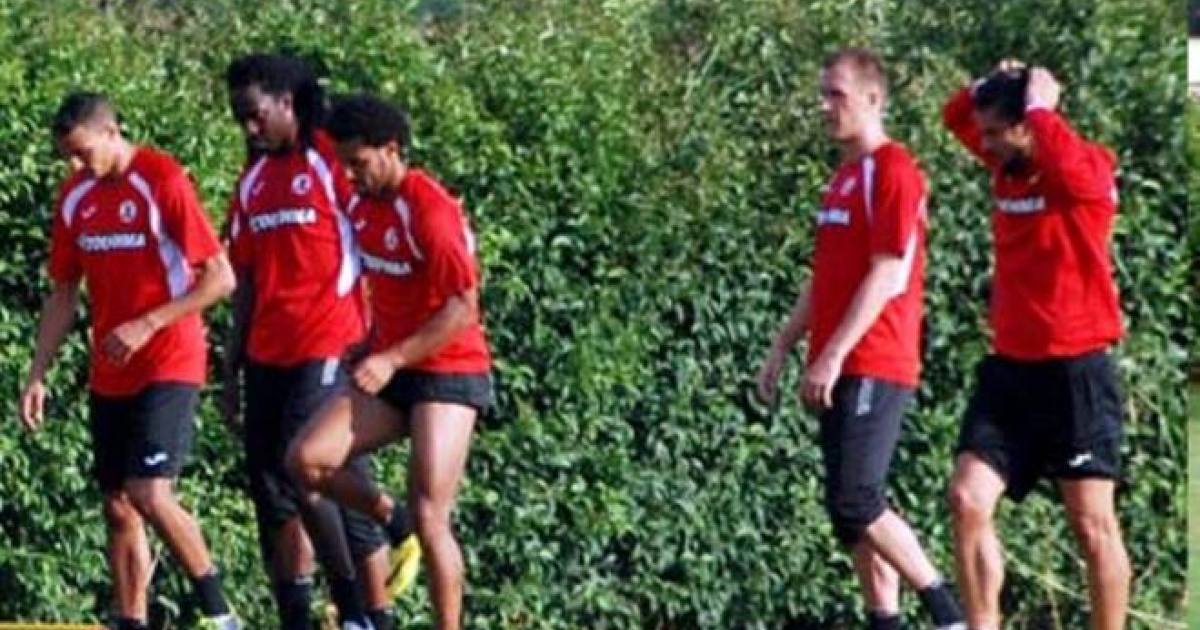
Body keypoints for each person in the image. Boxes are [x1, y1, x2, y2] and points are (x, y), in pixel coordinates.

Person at [755, 48, 965, 630]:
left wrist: (832, 354)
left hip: (876, 358)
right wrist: (782, 345)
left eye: (836, 94)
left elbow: (890, 272)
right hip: (841, 361)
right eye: (822, 94)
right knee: (850, 518)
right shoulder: (843, 179)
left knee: (857, 498)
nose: (824, 106)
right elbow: (825, 279)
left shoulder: (893, 170)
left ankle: (950, 616)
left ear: (873, 99)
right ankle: (885, 622)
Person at [19, 91, 241, 630]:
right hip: (111, 369)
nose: (76, 166)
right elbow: (63, 292)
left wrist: (149, 322)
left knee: (150, 492)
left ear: (112, 133)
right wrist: (37, 373)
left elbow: (220, 278)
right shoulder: (76, 196)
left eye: (82, 153)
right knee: (118, 504)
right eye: (67, 157)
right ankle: (131, 620)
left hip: (169, 358)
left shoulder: (160, 179)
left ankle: (221, 614)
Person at [287, 92, 494, 630]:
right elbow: (389, 289)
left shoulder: (430, 209)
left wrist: (392, 357)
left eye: (358, 163)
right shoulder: (361, 206)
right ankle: (390, 518)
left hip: (449, 371)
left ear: (393, 149)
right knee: (306, 460)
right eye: (343, 163)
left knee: (432, 514)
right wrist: (372, 344)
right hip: (395, 367)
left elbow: (462, 306)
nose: (349, 175)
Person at [222, 54, 414, 630]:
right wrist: (230, 367)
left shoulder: (332, 161)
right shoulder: (253, 181)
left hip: (330, 342)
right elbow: (245, 279)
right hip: (267, 354)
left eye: (256, 114)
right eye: (239, 118)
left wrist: (389, 339)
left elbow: (381, 232)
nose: (249, 128)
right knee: (274, 492)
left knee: (304, 466)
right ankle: (300, 618)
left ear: (287, 102)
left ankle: (360, 611)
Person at [942, 61, 1129, 630]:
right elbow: (955, 117)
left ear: (1030, 125)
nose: (984, 145)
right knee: (967, 499)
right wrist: (986, 83)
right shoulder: (1008, 167)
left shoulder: (1082, 167)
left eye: (997, 132)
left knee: (1092, 526)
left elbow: (1077, 176)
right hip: (1011, 371)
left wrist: (1044, 106)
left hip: (1076, 371)